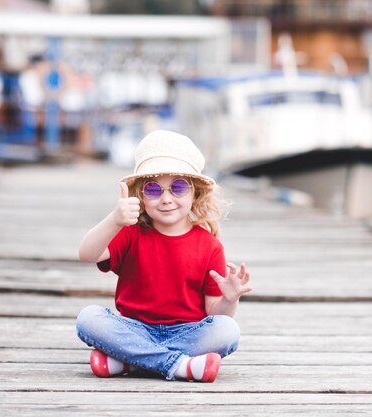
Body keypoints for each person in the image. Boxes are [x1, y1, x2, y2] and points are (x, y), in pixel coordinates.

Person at [76, 130, 252, 383]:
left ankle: (130, 360)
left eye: (178, 187)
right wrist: (114, 220)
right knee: (88, 318)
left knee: (227, 330)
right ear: (141, 196)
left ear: (195, 194)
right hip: (135, 329)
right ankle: (178, 365)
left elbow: (217, 313)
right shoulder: (129, 233)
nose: (166, 198)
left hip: (187, 332)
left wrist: (230, 298)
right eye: (153, 189)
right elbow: (86, 254)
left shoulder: (210, 246)